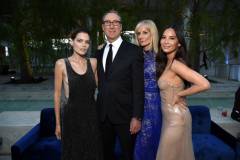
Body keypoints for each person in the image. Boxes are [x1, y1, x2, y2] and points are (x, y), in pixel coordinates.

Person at [155, 26, 210, 160]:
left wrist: (180, 95)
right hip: (169, 119)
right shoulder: (168, 62)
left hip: (176, 120)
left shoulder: (176, 64)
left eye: (171, 38)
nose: (166, 41)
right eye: (163, 37)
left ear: (179, 43)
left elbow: (205, 84)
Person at [96, 10, 144, 160]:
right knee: (106, 155)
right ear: (103, 27)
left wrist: (136, 117)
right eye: (107, 22)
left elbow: (138, 87)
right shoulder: (98, 51)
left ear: (121, 27)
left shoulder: (134, 51)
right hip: (103, 116)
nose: (112, 25)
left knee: (128, 155)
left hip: (126, 117)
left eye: (116, 22)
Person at [54, 28, 103, 160]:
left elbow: (102, 88)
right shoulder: (61, 64)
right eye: (79, 40)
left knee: (93, 152)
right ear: (71, 42)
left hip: (91, 116)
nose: (83, 45)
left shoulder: (93, 63)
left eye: (87, 42)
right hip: (71, 117)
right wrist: (58, 124)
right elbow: (57, 95)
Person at [133, 20, 162, 160]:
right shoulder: (134, 55)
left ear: (153, 34)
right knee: (139, 146)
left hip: (156, 106)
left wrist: (179, 95)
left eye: (145, 32)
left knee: (153, 144)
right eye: (138, 33)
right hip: (137, 105)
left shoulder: (162, 57)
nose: (141, 36)